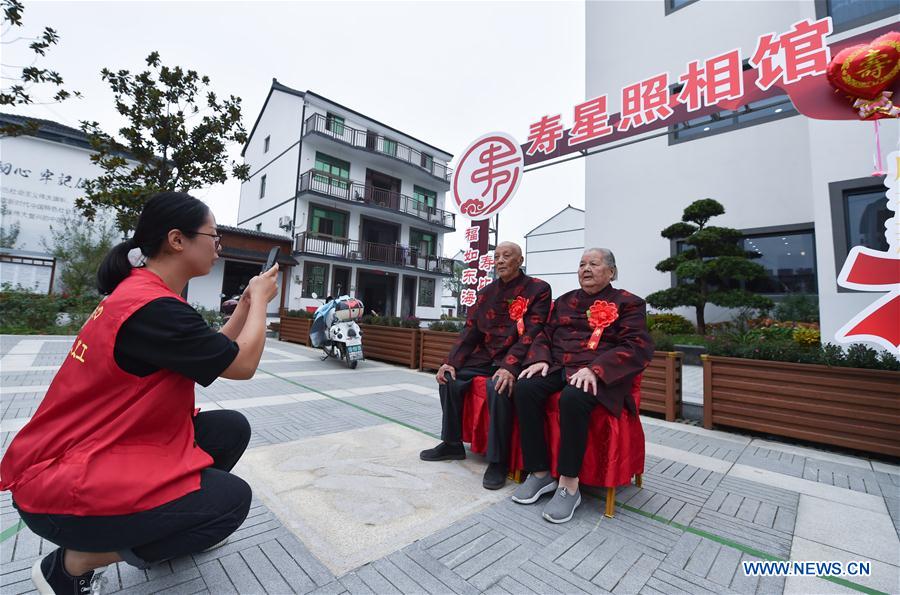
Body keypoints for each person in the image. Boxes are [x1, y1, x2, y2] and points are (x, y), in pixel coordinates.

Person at [0, 192, 280, 595]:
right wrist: (261, 307)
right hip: (60, 489)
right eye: (213, 236)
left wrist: (247, 303)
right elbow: (243, 365)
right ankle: (72, 563)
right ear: (177, 240)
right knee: (231, 503)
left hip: (87, 452)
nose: (218, 247)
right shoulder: (153, 308)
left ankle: (168, 529)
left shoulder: (145, 296)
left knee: (229, 428)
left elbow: (216, 352)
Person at [512, 248, 653, 523]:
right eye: (581, 264)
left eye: (593, 264)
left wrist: (597, 369)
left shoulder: (629, 303)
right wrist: (540, 359)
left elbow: (638, 346)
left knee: (573, 397)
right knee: (526, 387)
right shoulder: (564, 301)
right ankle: (540, 473)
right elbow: (544, 335)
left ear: (611, 272)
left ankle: (568, 485)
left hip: (599, 373)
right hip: (560, 366)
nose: (585, 269)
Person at [419, 242, 551, 489]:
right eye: (497, 256)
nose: (500, 261)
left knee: (498, 387)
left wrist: (510, 366)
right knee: (449, 378)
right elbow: (470, 330)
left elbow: (534, 330)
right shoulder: (486, 293)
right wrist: (450, 362)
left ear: (520, 260)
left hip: (518, 359)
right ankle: (452, 443)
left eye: (507, 256)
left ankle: (498, 461)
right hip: (486, 357)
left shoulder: (538, 289)